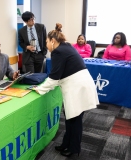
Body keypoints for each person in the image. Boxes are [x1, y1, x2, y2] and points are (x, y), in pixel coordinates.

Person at [34, 23, 99, 157]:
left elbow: (54, 77)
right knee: (70, 118)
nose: (46, 45)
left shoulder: (58, 52)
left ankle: (74, 148)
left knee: (74, 120)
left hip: (78, 87)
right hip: (80, 85)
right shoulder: (66, 46)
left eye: (46, 41)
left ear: (52, 41)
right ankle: (66, 144)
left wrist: (39, 89)